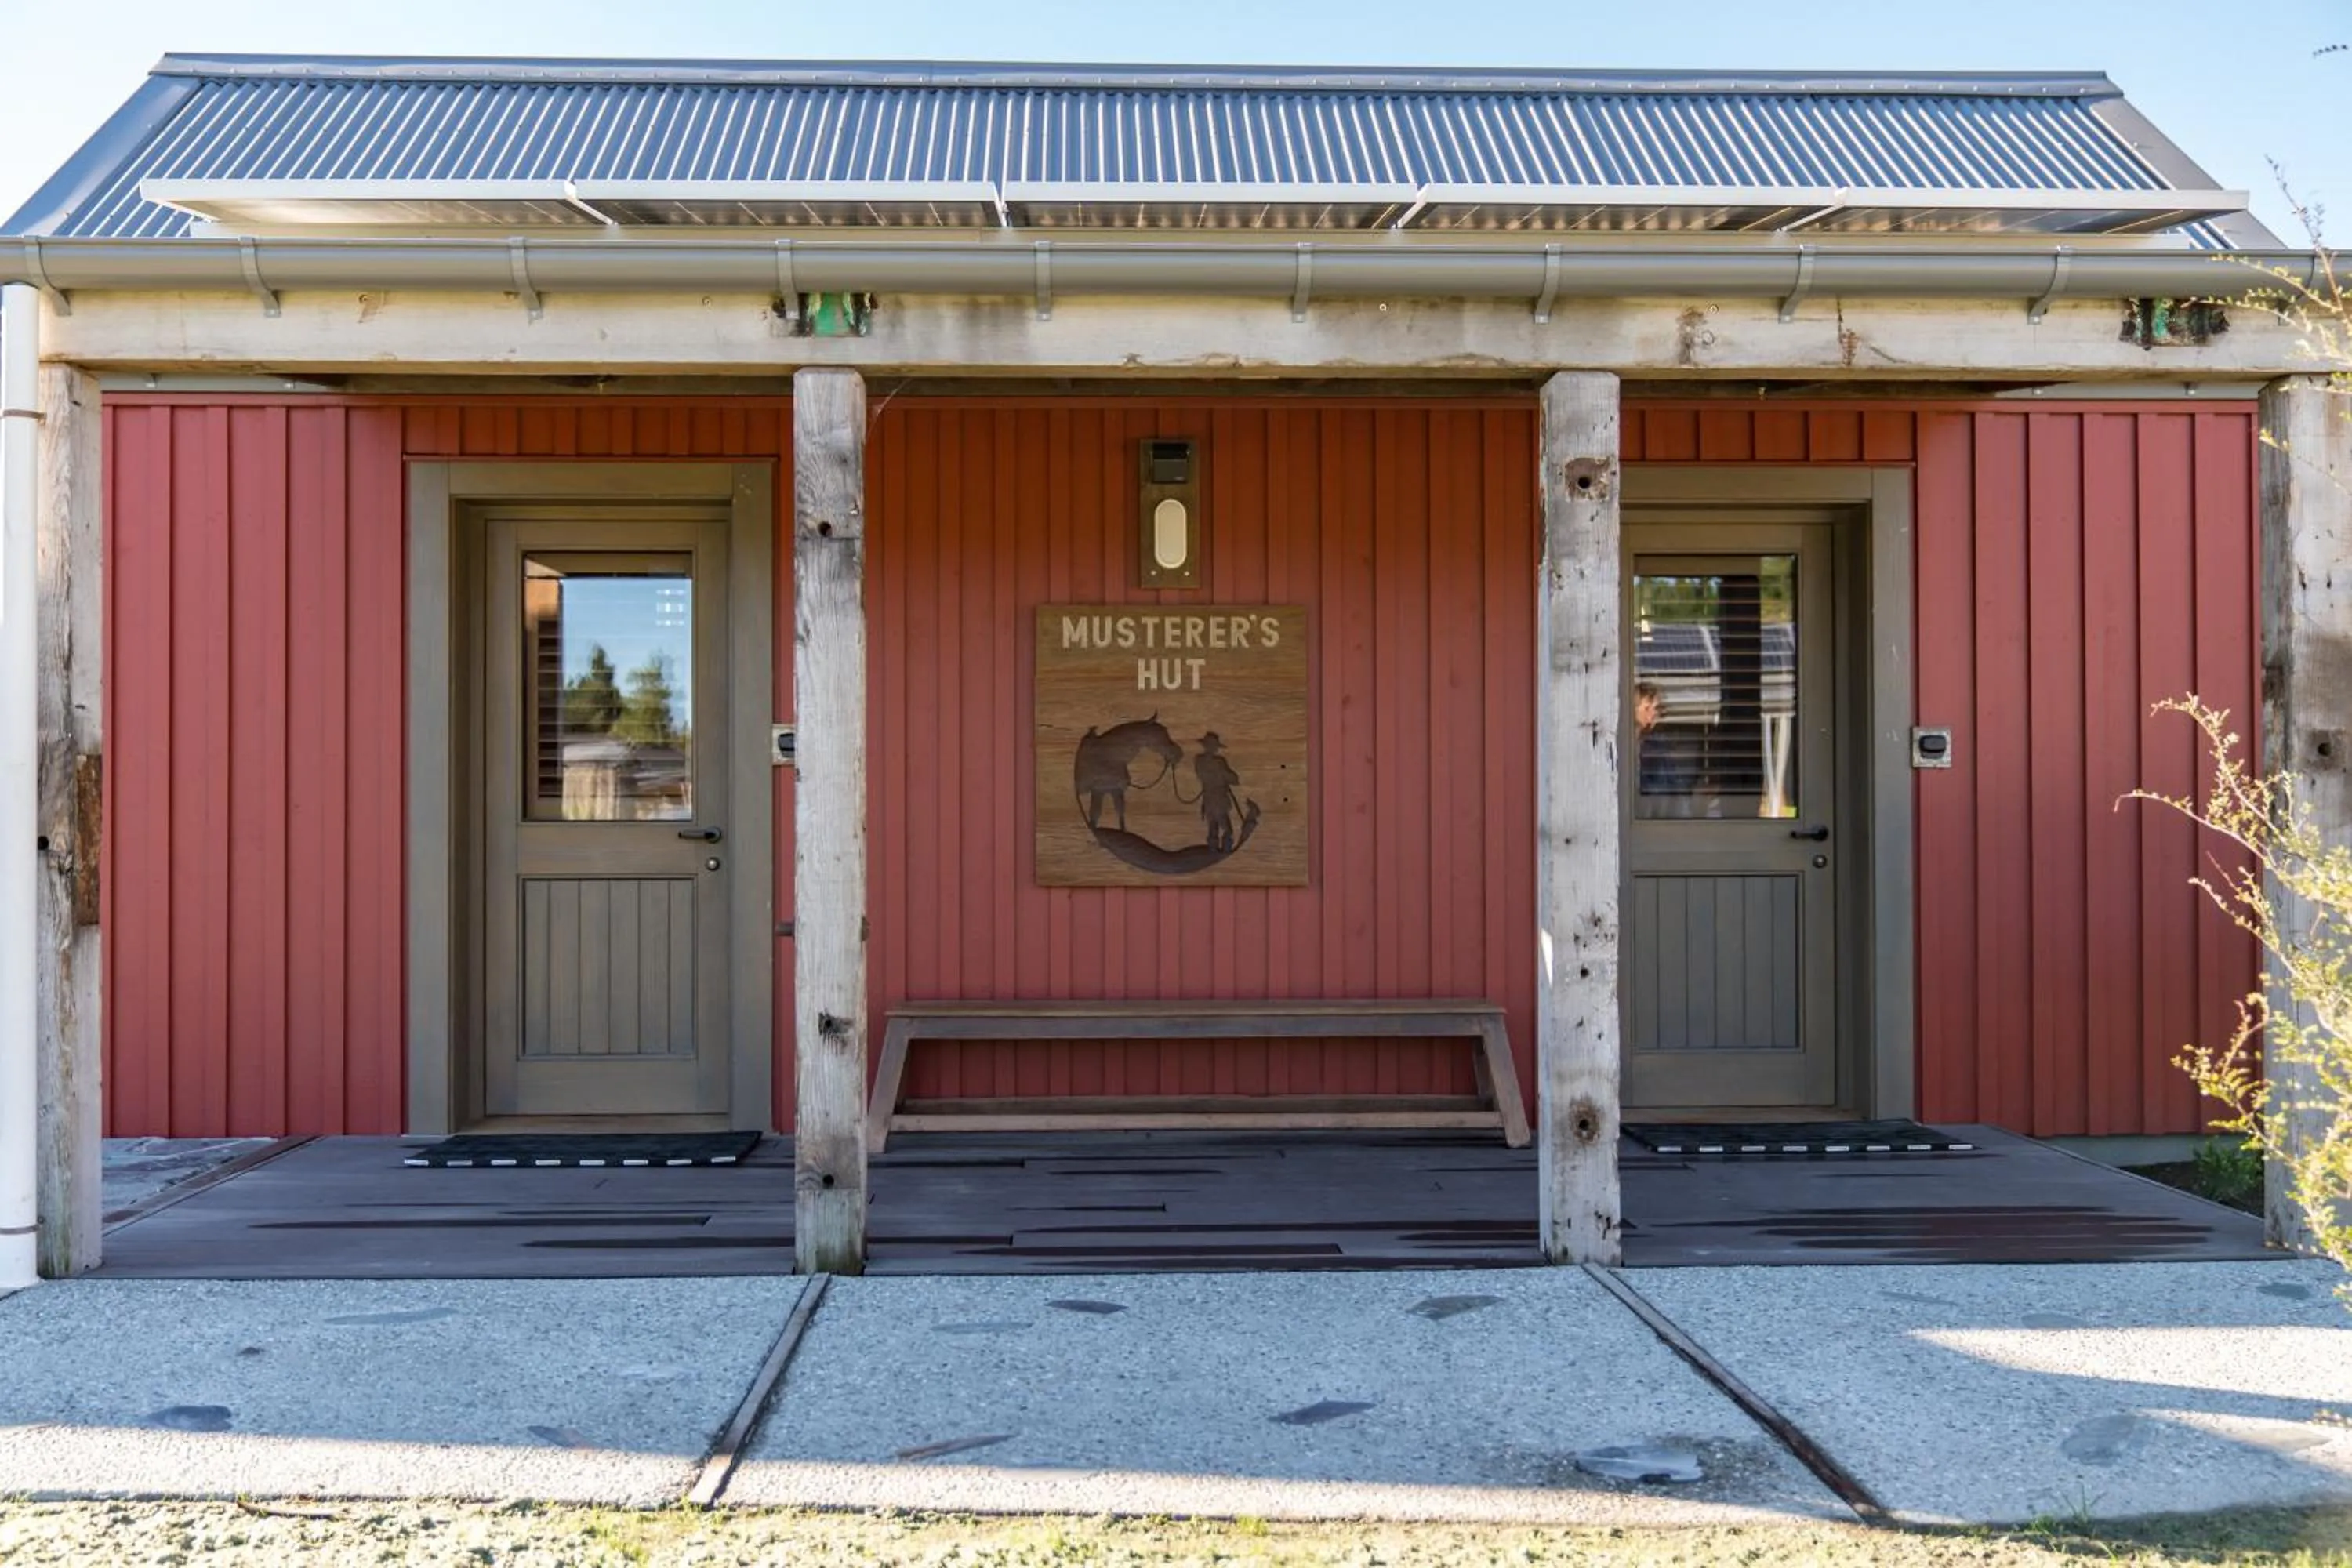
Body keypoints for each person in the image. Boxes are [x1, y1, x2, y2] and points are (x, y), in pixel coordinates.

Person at [1193, 733, 1242, 851]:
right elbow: (1233, 779)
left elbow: (1202, 776)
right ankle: (1225, 848)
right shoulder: (1218, 762)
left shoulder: (1199, 761)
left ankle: (1213, 849)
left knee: (1213, 825)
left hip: (1208, 798)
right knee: (1226, 827)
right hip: (1219, 798)